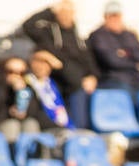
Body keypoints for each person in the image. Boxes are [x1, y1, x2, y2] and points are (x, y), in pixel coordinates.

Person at [22, 0, 99, 129]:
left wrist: (92, 76)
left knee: (81, 117)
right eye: (63, 13)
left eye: (69, 12)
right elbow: (28, 26)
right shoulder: (48, 34)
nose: (66, 16)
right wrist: (50, 11)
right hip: (58, 83)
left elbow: (88, 59)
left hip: (78, 84)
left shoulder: (78, 36)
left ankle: (79, 133)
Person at [88, 1, 139, 91]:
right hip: (112, 81)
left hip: (136, 79)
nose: (115, 19)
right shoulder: (98, 36)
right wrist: (135, 62)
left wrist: (127, 52)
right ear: (105, 17)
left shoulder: (129, 35)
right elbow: (113, 61)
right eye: (112, 16)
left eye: (117, 15)